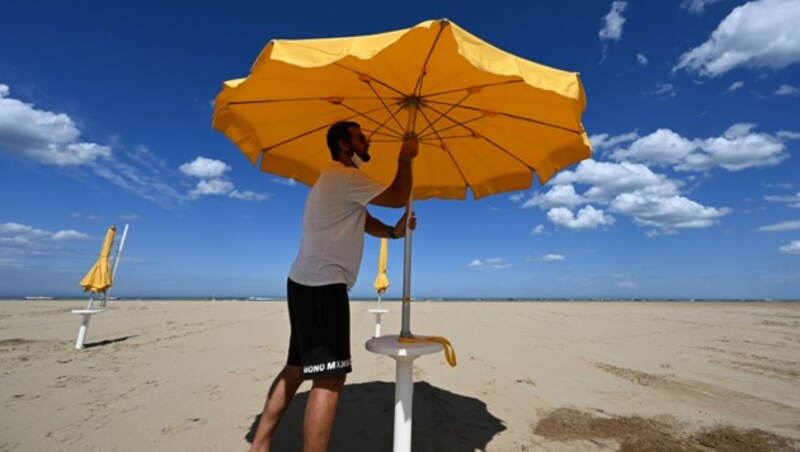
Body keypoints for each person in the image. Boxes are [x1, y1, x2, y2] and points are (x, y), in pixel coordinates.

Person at [249, 121, 419, 452]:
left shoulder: (335, 181)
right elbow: (399, 196)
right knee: (329, 378)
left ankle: (258, 447)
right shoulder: (345, 177)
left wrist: (394, 234)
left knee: (297, 368)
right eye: (360, 138)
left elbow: (364, 220)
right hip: (323, 285)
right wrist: (406, 158)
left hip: (303, 282)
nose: (367, 142)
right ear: (344, 145)